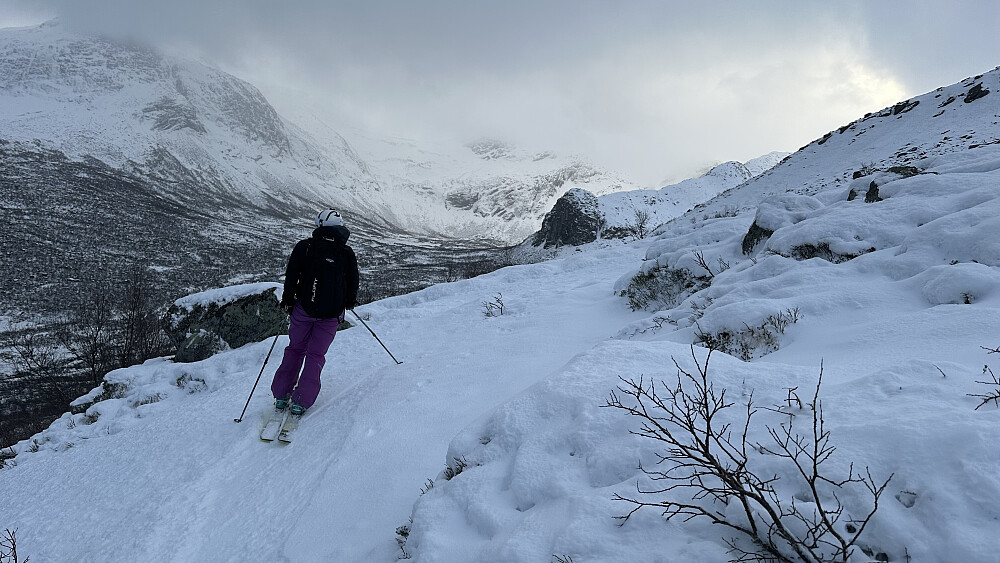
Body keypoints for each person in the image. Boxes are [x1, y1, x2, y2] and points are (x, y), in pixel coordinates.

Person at [270, 209, 360, 416]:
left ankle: (281, 395)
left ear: (319, 225)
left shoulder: (305, 247)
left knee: (295, 349)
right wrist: (348, 302)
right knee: (316, 355)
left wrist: (288, 301)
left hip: (303, 309)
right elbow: (353, 281)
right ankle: (301, 401)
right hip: (330, 315)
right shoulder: (346, 252)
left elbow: (292, 275)